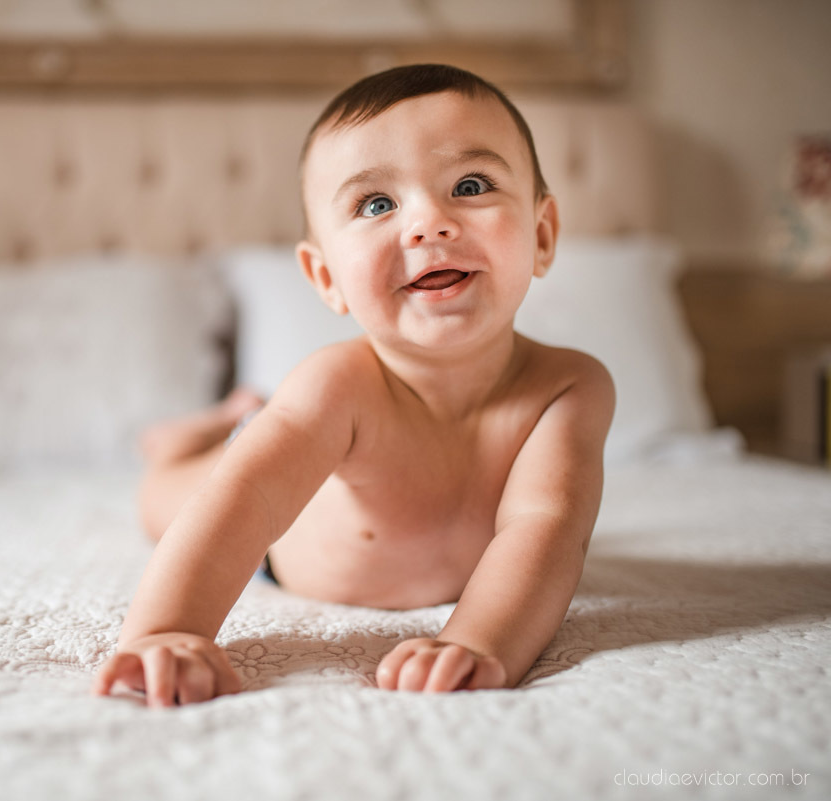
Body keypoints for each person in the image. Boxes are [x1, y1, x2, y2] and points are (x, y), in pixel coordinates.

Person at [92, 64, 614, 706]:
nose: (428, 223)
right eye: (377, 204)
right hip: (274, 542)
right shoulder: (339, 385)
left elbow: (547, 526)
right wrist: (167, 631)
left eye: (470, 185)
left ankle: (237, 415)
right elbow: (244, 501)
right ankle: (192, 435)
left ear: (541, 234)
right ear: (325, 276)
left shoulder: (568, 387)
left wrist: (478, 642)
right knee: (169, 490)